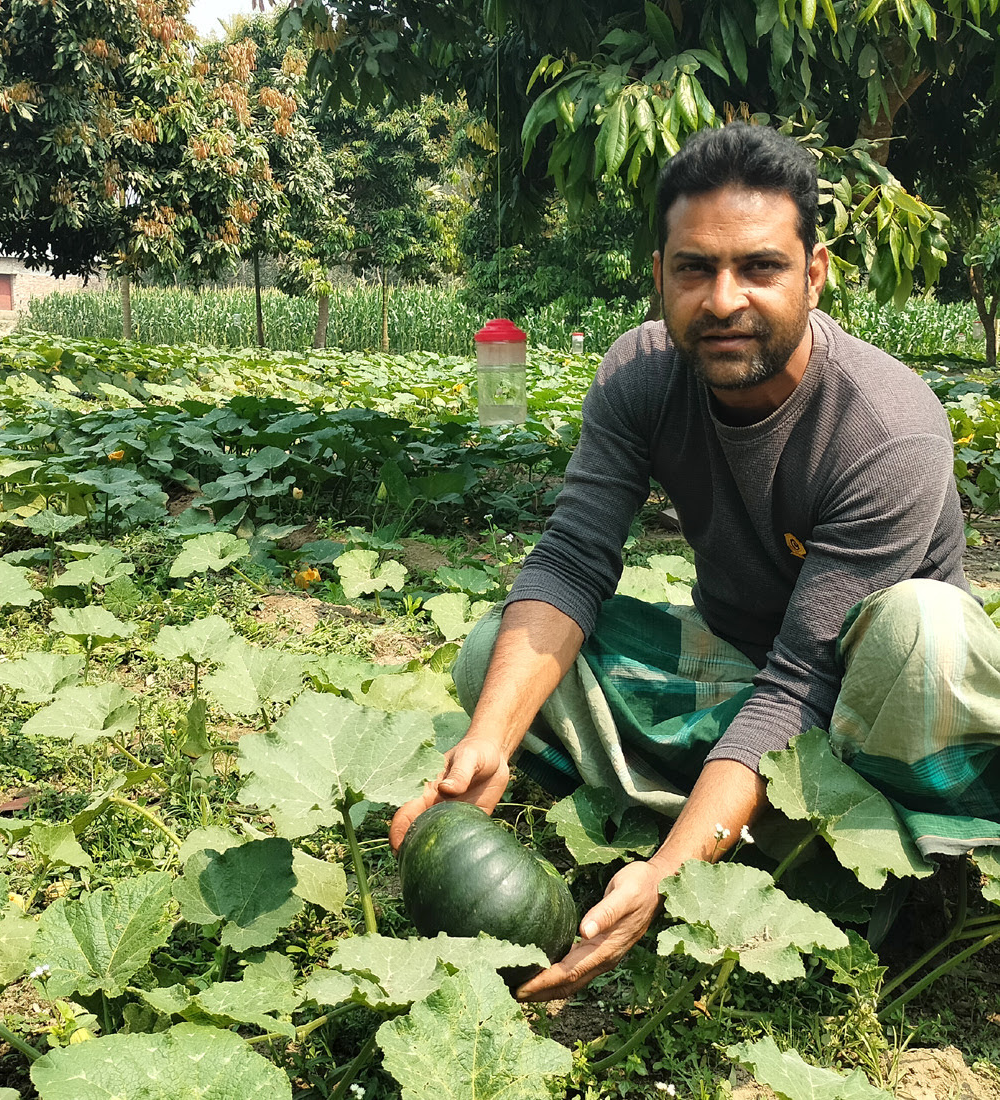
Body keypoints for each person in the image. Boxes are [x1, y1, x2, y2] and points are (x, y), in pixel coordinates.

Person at [390, 122, 1000, 1003]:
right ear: (660, 276)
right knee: (497, 660)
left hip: (879, 707)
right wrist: (488, 741)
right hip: (744, 670)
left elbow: (804, 682)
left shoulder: (886, 428)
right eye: (694, 269)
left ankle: (916, 844)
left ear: (814, 273)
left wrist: (669, 871)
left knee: (924, 628)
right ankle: (755, 828)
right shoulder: (641, 375)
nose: (723, 300)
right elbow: (571, 559)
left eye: (759, 267)